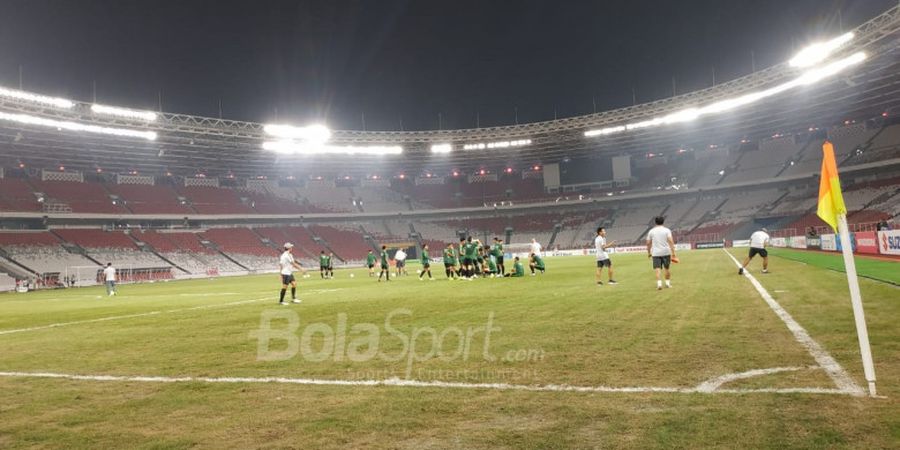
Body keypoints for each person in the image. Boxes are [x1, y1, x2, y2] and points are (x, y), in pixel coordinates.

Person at [646, 216, 676, 290]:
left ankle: (659, 285)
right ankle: (668, 284)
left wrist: (649, 252)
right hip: (666, 252)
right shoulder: (667, 230)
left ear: (655, 222)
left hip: (656, 253)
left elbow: (648, 243)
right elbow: (671, 241)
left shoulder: (651, 231)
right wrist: (673, 252)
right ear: (663, 221)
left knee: (657, 269)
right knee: (667, 268)